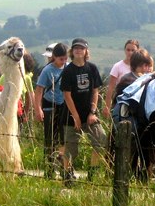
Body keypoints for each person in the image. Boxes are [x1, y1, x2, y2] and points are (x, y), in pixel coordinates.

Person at [61, 38, 108, 185]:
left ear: (86, 51)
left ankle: (92, 173)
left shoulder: (92, 68)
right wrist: (75, 116)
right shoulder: (68, 70)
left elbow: (95, 91)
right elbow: (66, 95)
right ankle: (68, 176)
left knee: (101, 140)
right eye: (76, 48)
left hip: (89, 114)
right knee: (71, 148)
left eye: (81, 48)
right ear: (72, 51)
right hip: (70, 114)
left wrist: (93, 112)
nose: (78, 50)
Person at [34, 43, 68, 179]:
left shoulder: (68, 68)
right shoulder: (47, 70)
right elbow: (39, 90)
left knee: (64, 138)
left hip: (64, 106)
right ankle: (49, 170)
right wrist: (38, 109)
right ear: (54, 57)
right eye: (61, 59)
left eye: (65, 59)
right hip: (49, 105)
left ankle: (63, 165)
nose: (63, 62)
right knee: (50, 139)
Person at [102, 39, 140, 118]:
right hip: (120, 102)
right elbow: (111, 88)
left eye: (133, 50)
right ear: (125, 50)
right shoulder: (118, 66)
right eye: (128, 50)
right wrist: (107, 106)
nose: (130, 52)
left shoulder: (140, 67)